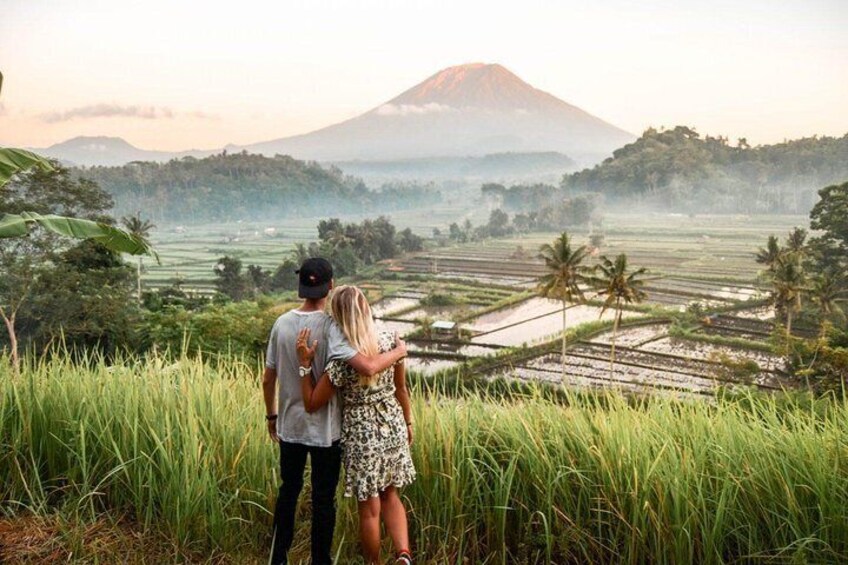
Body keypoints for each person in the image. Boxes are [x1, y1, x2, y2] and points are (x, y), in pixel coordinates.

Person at [261, 258, 407, 565]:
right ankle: (320, 561)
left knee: (288, 491)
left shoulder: (281, 324)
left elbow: (268, 377)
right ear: (330, 285)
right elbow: (365, 365)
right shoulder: (334, 328)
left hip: (290, 425)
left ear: (300, 286)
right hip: (327, 431)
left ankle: (278, 557)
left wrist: (271, 415)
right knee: (323, 500)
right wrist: (398, 352)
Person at [297, 284, 416, 565]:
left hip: (360, 429)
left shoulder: (341, 360)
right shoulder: (391, 343)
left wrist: (304, 366)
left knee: (370, 508)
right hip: (392, 423)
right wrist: (408, 422)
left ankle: (373, 563)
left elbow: (313, 402)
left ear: (337, 315)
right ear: (366, 309)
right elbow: (401, 389)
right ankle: (403, 555)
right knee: (391, 493)